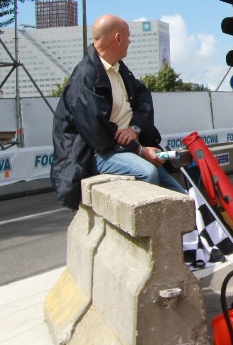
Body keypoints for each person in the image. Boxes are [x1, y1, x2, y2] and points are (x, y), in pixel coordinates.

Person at [51, 14, 183, 203]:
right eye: (128, 36)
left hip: (125, 148)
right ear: (118, 38)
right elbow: (97, 133)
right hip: (95, 153)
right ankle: (148, 223)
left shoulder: (119, 69)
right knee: (147, 172)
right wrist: (139, 150)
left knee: (181, 197)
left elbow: (143, 97)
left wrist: (135, 128)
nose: (130, 41)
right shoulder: (86, 76)